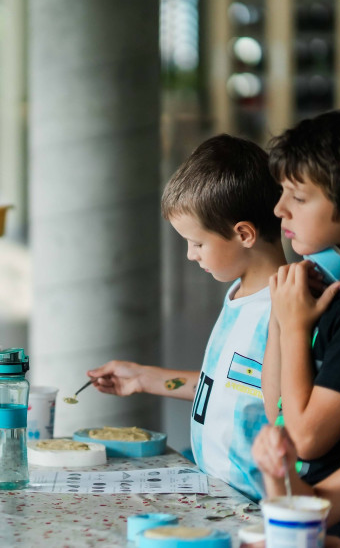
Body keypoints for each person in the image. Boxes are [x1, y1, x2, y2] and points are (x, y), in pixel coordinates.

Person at [87, 134, 285, 500]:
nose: (191, 255)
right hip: (216, 490)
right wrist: (144, 378)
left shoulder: (284, 309)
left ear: (243, 234)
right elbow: (228, 388)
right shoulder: (239, 297)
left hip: (255, 504)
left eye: (197, 243)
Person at [256, 108, 340, 541]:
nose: (279, 209)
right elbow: (276, 412)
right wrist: (284, 320)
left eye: (298, 198)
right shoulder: (339, 286)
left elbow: (304, 435)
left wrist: (295, 328)